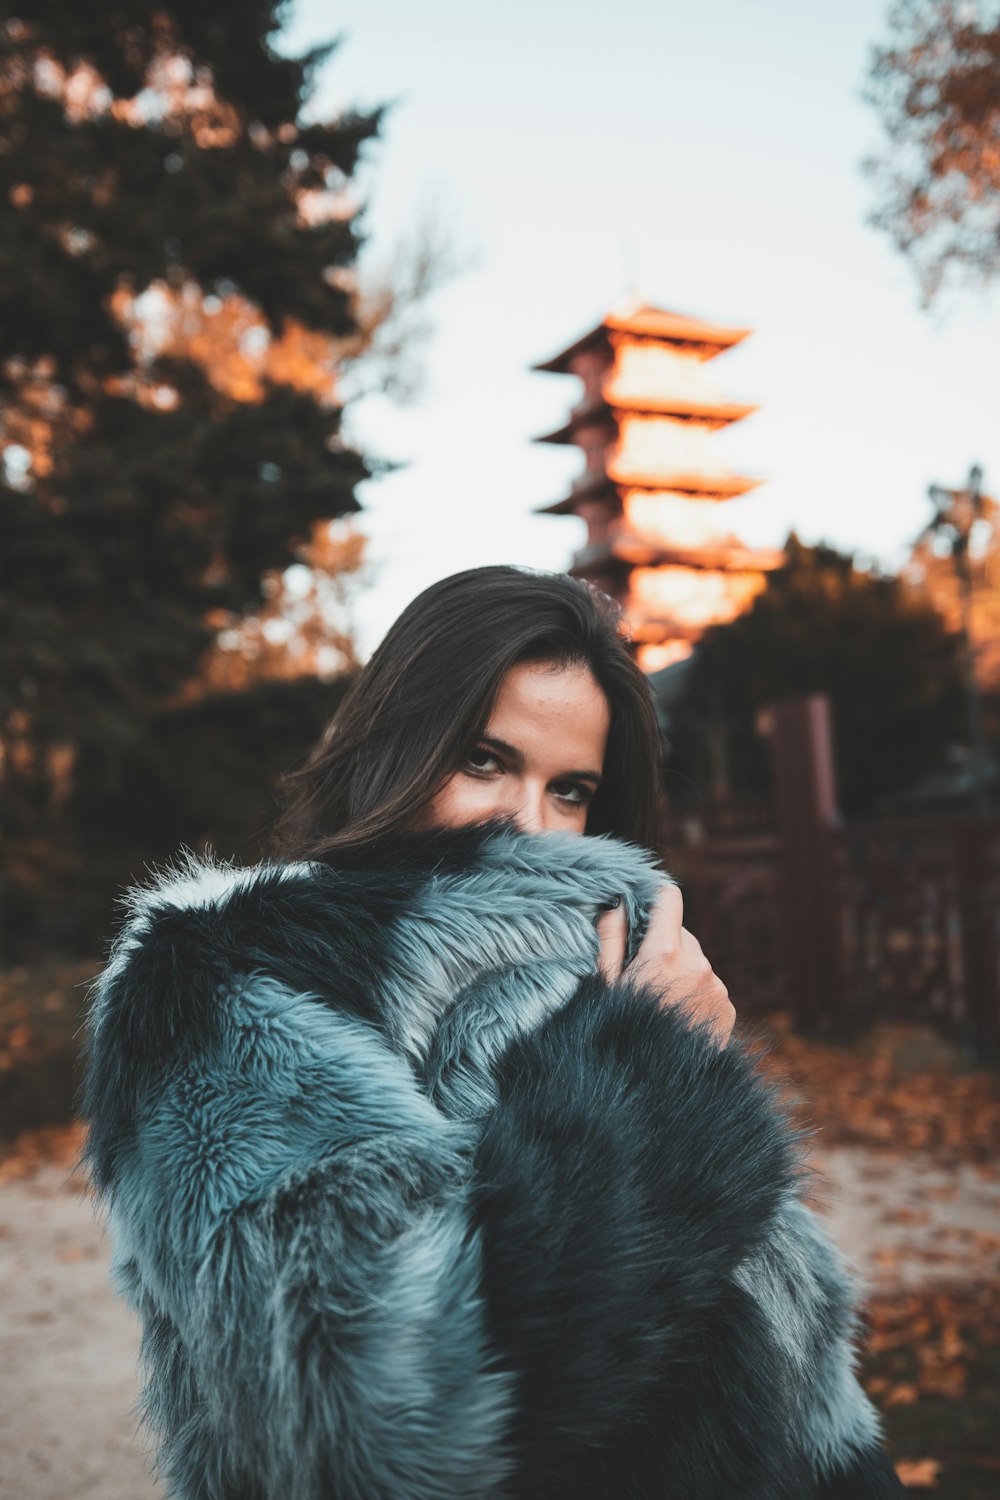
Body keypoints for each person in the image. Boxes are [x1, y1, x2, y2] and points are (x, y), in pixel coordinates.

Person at [82, 566, 904, 1499]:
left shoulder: (598, 969)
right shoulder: (223, 976)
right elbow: (387, 1417)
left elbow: (788, 1359)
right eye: (484, 760)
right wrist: (652, 1069)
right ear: (393, 747)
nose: (530, 826)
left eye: (572, 790)